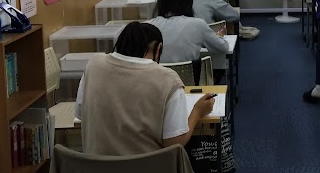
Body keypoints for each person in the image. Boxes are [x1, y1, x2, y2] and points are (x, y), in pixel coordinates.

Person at [77, 21, 216, 157]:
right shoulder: (168, 80)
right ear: (158, 48)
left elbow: (80, 114)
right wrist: (197, 112)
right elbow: (174, 143)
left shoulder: (94, 65)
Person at [146, 0, 229, 64]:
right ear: (189, 1)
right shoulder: (198, 25)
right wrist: (218, 36)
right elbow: (223, 47)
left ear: (161, 1)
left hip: (158, 77)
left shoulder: (147, 27)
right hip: (190, 77)